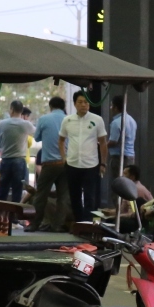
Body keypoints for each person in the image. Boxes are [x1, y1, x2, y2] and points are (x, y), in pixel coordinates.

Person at [58, 92, 107, 222]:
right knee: (74, 197)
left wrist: (103, 163)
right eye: (80, 102)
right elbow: (61, 140)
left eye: (86, 102)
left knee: (90, 197)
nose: (83, 105)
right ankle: (78, 222)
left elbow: (103, 142)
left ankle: (87, 224)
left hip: (91, 164)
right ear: (74, 104)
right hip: (72, 164)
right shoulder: (67, 120)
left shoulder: (97, 120)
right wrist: (64, 158)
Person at [27, 98, 69, 231]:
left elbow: (37, 138)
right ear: (63, 107)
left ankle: (35, 224)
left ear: (50, 106)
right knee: (63, 197)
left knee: (41, 195)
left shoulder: (44, 119)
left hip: (49, 164)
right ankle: (58, 226)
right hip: (65, 163)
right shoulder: (69, 119)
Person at [0, 100, 34, 203]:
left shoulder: (3, 124)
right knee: (17, 191)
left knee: (3, 189)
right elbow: (36, 134)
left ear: (11, 109)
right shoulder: (26, 124)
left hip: (5, 160)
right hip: (19, 160)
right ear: (21, 111)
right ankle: (14, 217)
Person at [106, 95, 137, 205]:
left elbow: (114, 141)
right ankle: (127, 209)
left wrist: (101, 145)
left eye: (111, 106)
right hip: (130, 157)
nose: (110, 108)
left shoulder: (116, 122)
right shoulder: (131, 120)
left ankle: (117, 211)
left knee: (118, 185)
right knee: (128, 187)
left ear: (115, 107)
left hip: (119, 158)